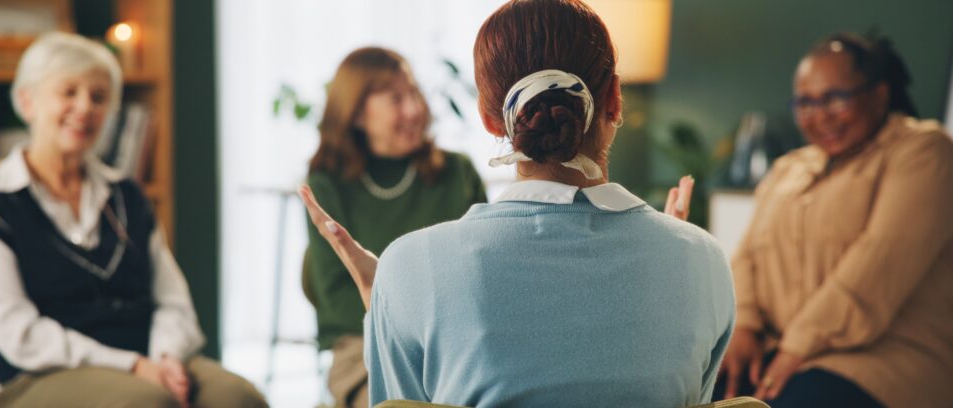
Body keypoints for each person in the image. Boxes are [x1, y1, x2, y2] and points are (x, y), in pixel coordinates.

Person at [300, 1, 732, 406]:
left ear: (489, 119)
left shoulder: (409, 267)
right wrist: (677, 259)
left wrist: (394, 302)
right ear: (615, 100)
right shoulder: (705, 262)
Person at [0, 32, 267, 408]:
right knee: (146, 403)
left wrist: (166, 359)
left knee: (238, 397)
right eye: (69, 92)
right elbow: (18, 334)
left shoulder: (127, 196)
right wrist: (132, 365)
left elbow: (173, 300)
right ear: (28, 102)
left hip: (146, 360)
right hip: (34, 377)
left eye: (99, 96)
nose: (85, 107)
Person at [716, 32, 953, 408]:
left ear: (879, 93)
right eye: (805, 102)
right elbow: (746, 256)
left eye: (835, 98)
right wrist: (744, 324)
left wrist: (799, 346)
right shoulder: (788, 168)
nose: (819, 114)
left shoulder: (925, 152)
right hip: (778, 351)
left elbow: (878, 262)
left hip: (883, 359)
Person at [303, 47, 488, 408]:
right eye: (396, 99)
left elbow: (483, 273)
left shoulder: (457, 173)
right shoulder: (327, 184)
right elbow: (338, 300)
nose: (415, 110)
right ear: (357, 114)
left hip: (457, 345)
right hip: (361, 349)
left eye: (414, 93)